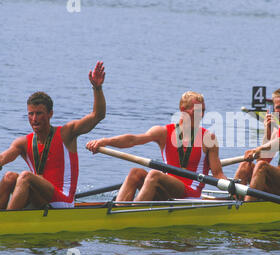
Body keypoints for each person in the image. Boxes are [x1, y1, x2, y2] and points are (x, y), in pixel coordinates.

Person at [0, 61, 106, 209]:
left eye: (39, 113)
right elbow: (3, 158)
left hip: (62, 201)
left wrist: (97, 87)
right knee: (9, 177)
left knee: (25, 176)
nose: (34, 119)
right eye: (31, 114)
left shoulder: (67, 133)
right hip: (40, 198)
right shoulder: (23, 143)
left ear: (50, 114)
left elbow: (98, 115)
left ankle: (8, 224)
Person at [86, 91, 227, 202]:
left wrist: (232, 189)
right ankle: (117, 209)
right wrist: (105, 141)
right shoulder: (163, 132)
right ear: (183, 109)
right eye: (197, 111)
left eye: (203, 111)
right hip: (166, 189)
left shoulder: (209, 138)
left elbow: (217, 174)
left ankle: (132, 214)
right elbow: (132, 140)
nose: (201, 115)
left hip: (190, 193)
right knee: (135, 172)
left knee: (154, 174)